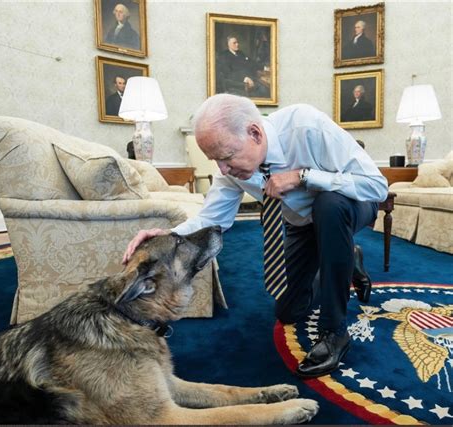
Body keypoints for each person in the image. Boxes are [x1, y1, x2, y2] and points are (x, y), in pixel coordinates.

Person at [122, 94, 388, 378]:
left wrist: (304, 176)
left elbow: (377, 187)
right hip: (302, 224)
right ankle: (349, 259)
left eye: (225, 158)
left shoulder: (307, 127)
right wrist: (168, 235)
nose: (222, 169)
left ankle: (334, 332)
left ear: (254, 133)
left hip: (350, 205)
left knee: (329, 205)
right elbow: (213, 220)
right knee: (288, 312)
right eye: (215, 161)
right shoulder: (231, 168)